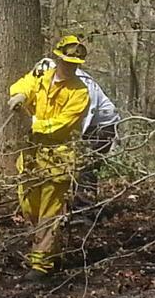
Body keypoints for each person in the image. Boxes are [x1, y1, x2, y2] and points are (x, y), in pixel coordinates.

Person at [8, 35, 90, 281]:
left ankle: (41, 266)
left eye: (74, 63)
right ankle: (45, 252)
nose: (70, 66)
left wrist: (36, 123)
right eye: (66, 61)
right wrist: (20, 96)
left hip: (59, 157)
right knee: (28, 207)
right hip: (32, 155)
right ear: (57, 57)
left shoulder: (79, 92)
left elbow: (64, 124)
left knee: (50, 212)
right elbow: (23, 85)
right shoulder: (41, 78)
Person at [33, 43, 120, 207]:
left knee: (86, 165)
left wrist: (75, 141)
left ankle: (84, 211)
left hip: (102, 126)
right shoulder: (52, 78)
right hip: (90, 124)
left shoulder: (82, 85)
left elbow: (86, 116)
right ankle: (72, 206)